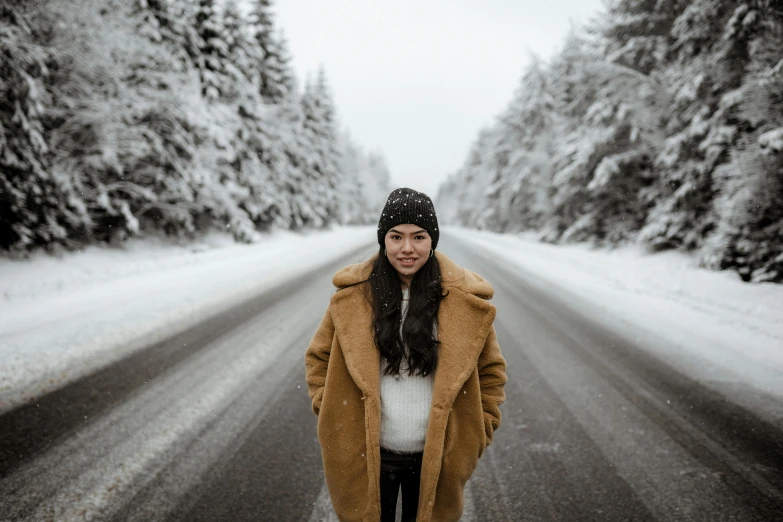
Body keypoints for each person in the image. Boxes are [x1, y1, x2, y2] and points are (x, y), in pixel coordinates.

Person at [304, 187, 507, 522]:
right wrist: (333, 413)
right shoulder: (353, 298)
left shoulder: (462, 301)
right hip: (368, 452)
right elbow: (319, 359)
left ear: (433, 241)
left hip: (438, 455)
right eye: (396, 237)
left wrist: (477, 431)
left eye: (419, 236)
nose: (407, 248)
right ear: (384, 241)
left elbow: (491, 372)